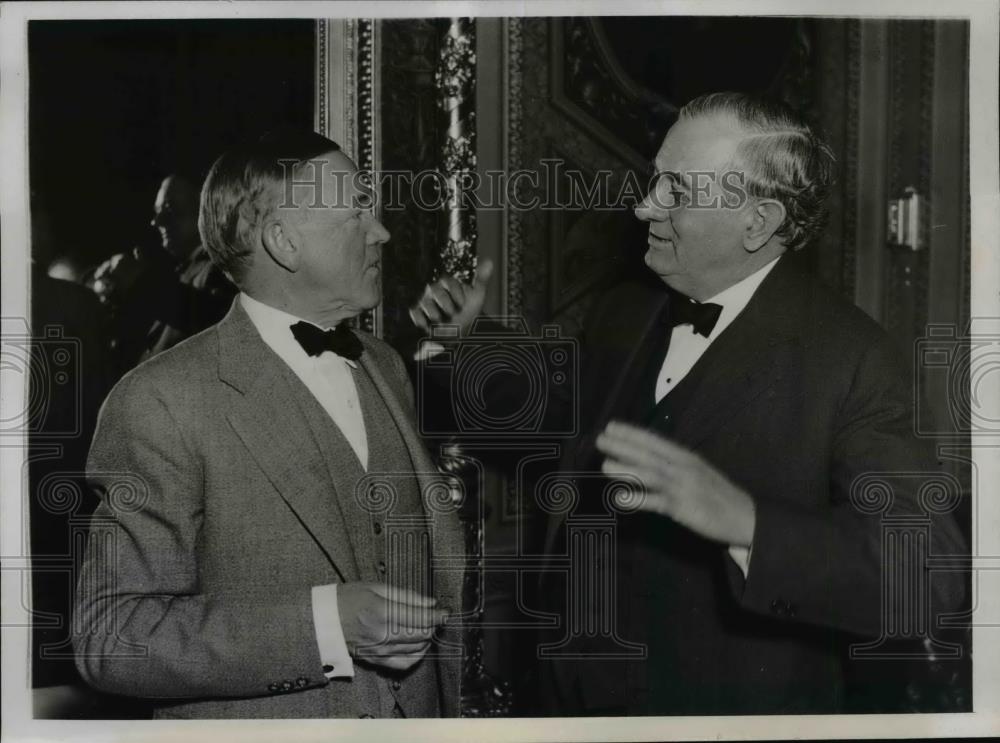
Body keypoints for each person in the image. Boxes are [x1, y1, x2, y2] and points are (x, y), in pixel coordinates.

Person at [409, 92, 967, 715]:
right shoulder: (628, 308)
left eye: (676, 189)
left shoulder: (855, 358)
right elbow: (559, 414)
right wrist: (465, 345)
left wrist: (746, 523)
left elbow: (928, 576)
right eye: (655, 179)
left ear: (756, 221)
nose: (644, 206)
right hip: (571, 702)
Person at [73, 131, 464, 719]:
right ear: (283, 242)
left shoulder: (384, 365)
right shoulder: (160, 400)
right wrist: (325, 627)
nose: (380, 231)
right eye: (356, 213)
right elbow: (113, 636)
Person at [90, 174, 236, 372]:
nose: (156, 221)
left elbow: (221, 325)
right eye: (157, 212)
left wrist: (139, 279)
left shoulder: (225, 267)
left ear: (209, 209)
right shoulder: (181, 273)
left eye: (169, 209)